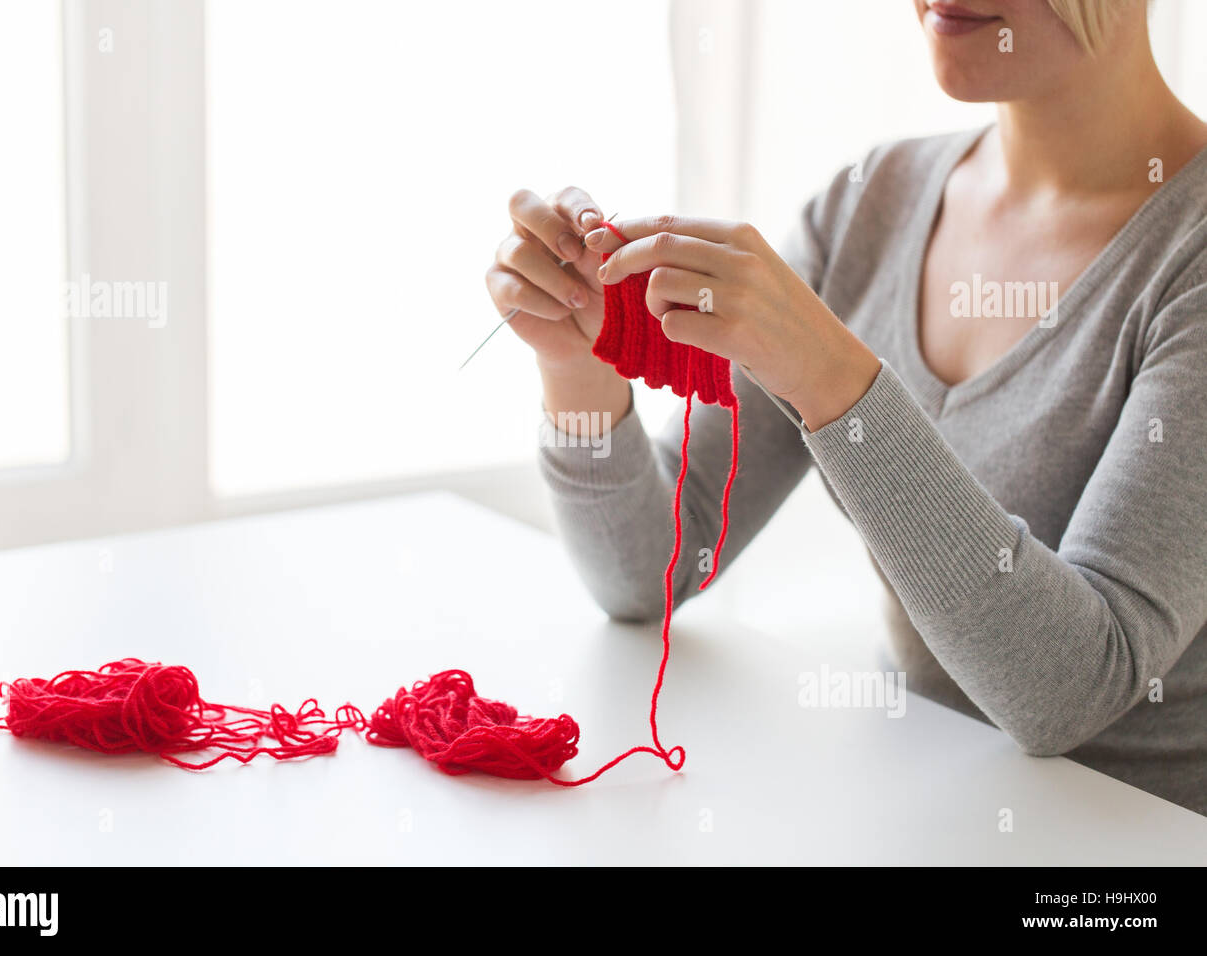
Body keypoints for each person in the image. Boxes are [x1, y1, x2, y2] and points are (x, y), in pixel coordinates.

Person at [483, 0, 1207, 814]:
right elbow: (651, 568)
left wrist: (828, 376)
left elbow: (1070, 692)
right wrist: (575, 368)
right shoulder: (872, 206)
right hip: (919, 813)